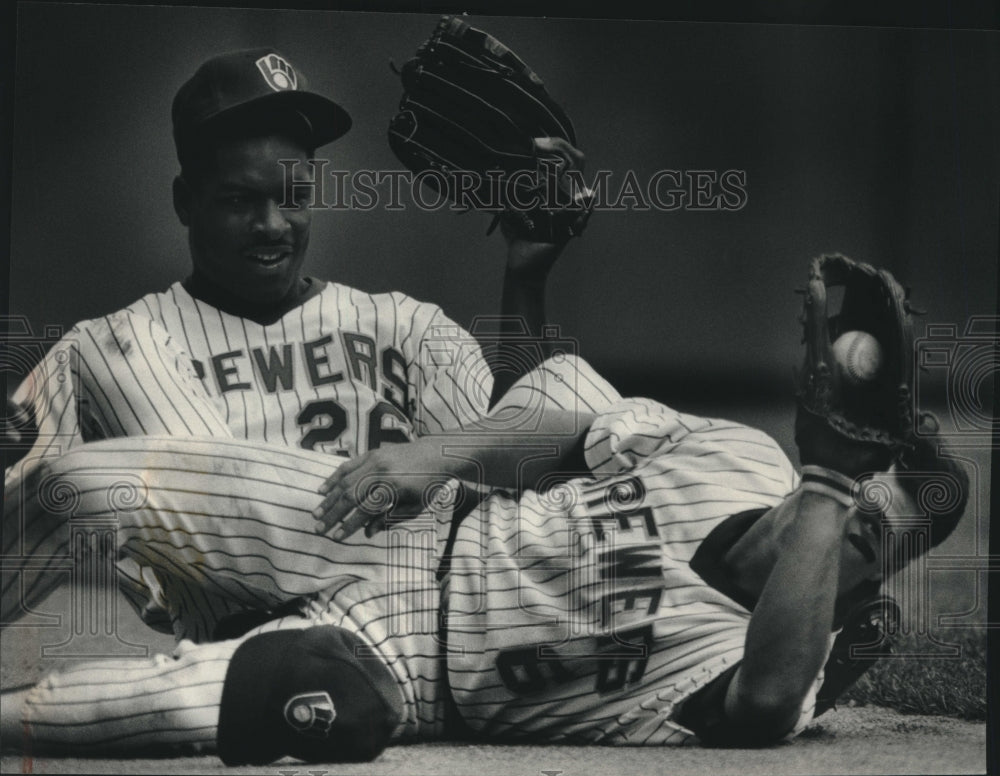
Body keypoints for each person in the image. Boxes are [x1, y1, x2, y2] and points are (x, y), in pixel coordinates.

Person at [0, 337, 968, 760]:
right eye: (840, 489)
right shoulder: (735, 453)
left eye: (864, 531)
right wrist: (436, 452)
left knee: (181, 698)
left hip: (406, 666)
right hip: (413, 525)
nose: (836, 519)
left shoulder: (757, 666)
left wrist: (841, 477)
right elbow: (562, 433)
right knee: (77, 480)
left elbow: (761, 711)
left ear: (853, 589)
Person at [1, 48, 580, 643]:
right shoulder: (111, 348)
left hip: (421, 629)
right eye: (239, 201)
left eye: (294, 196)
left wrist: (526, 278)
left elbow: (521, 467)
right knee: (113, 354)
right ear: (184, 201)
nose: (273, 224)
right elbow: (22, 509)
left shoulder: (406, 326)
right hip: (253, 648)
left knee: (576, 411)